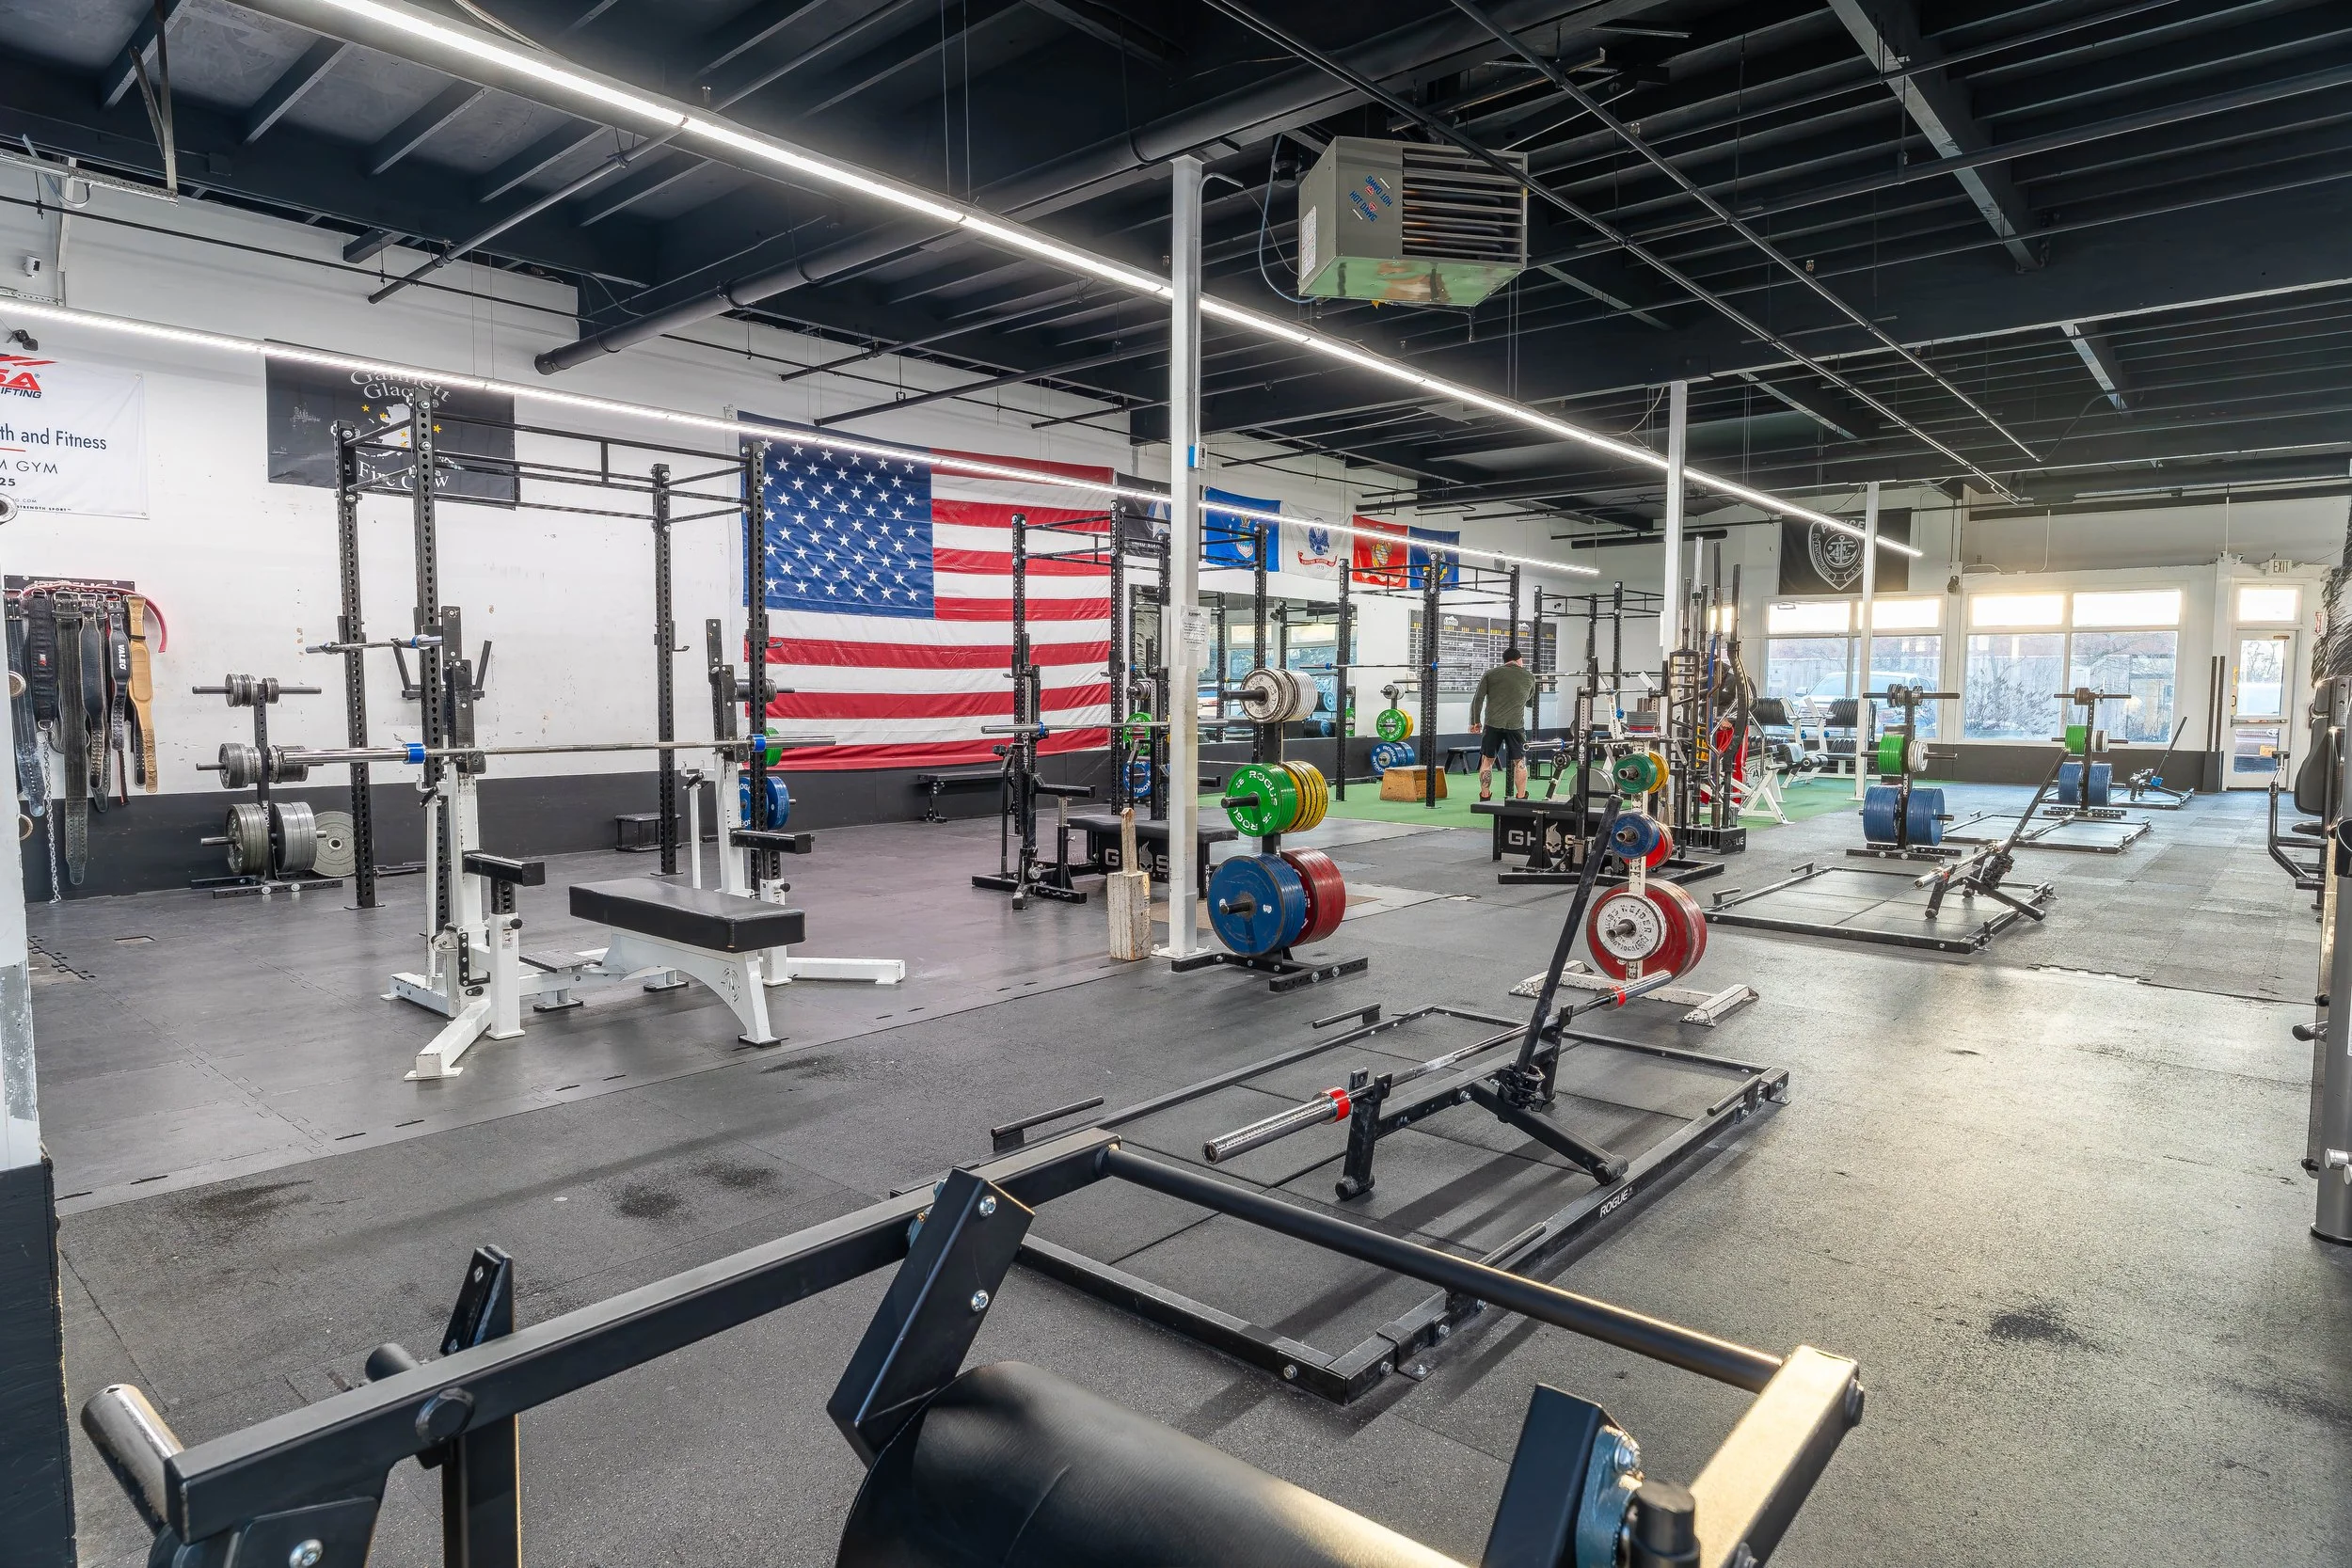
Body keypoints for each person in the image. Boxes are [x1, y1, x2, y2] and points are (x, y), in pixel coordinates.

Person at [1469, 646, 1538, 802]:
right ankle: (1521, 798)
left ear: (1505, 661)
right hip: (1516, 725)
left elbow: (1478, 699)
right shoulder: (1529, 677)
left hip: (1492, 724)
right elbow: (1530, 702)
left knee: (1487, 761)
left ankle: (1485, 797)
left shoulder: (1491, 674)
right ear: (1519, 660)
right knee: (1519, 762)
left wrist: (1475, 721)